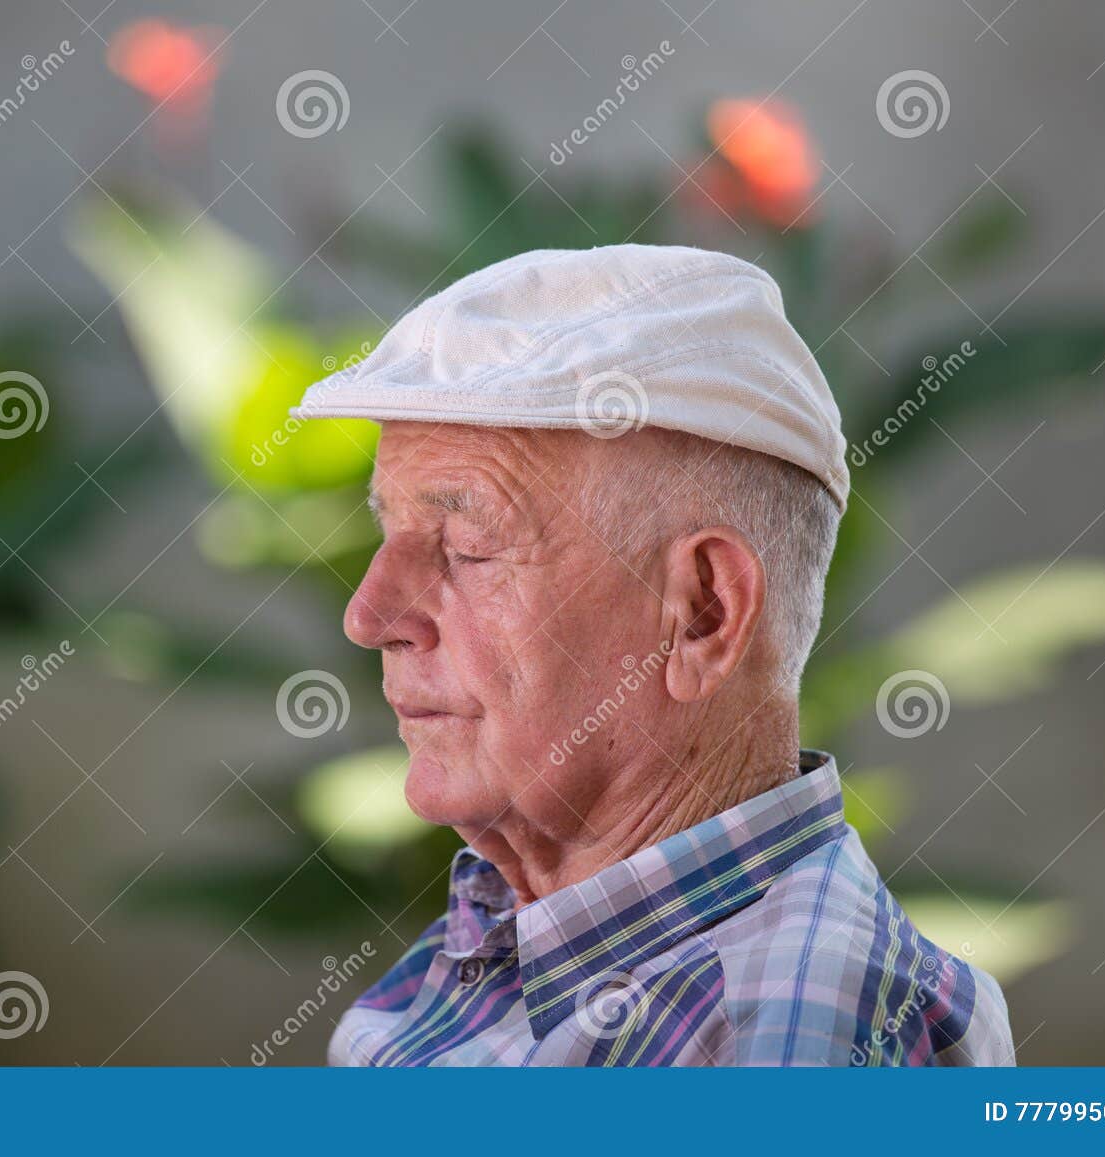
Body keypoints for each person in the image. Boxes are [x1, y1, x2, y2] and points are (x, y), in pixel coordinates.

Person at [290, 244, 1013, 1066]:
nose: (370, 613)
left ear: (703, 613)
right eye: (390, 534)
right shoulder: (515, 934)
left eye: (468, 545)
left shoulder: (792, 1034)